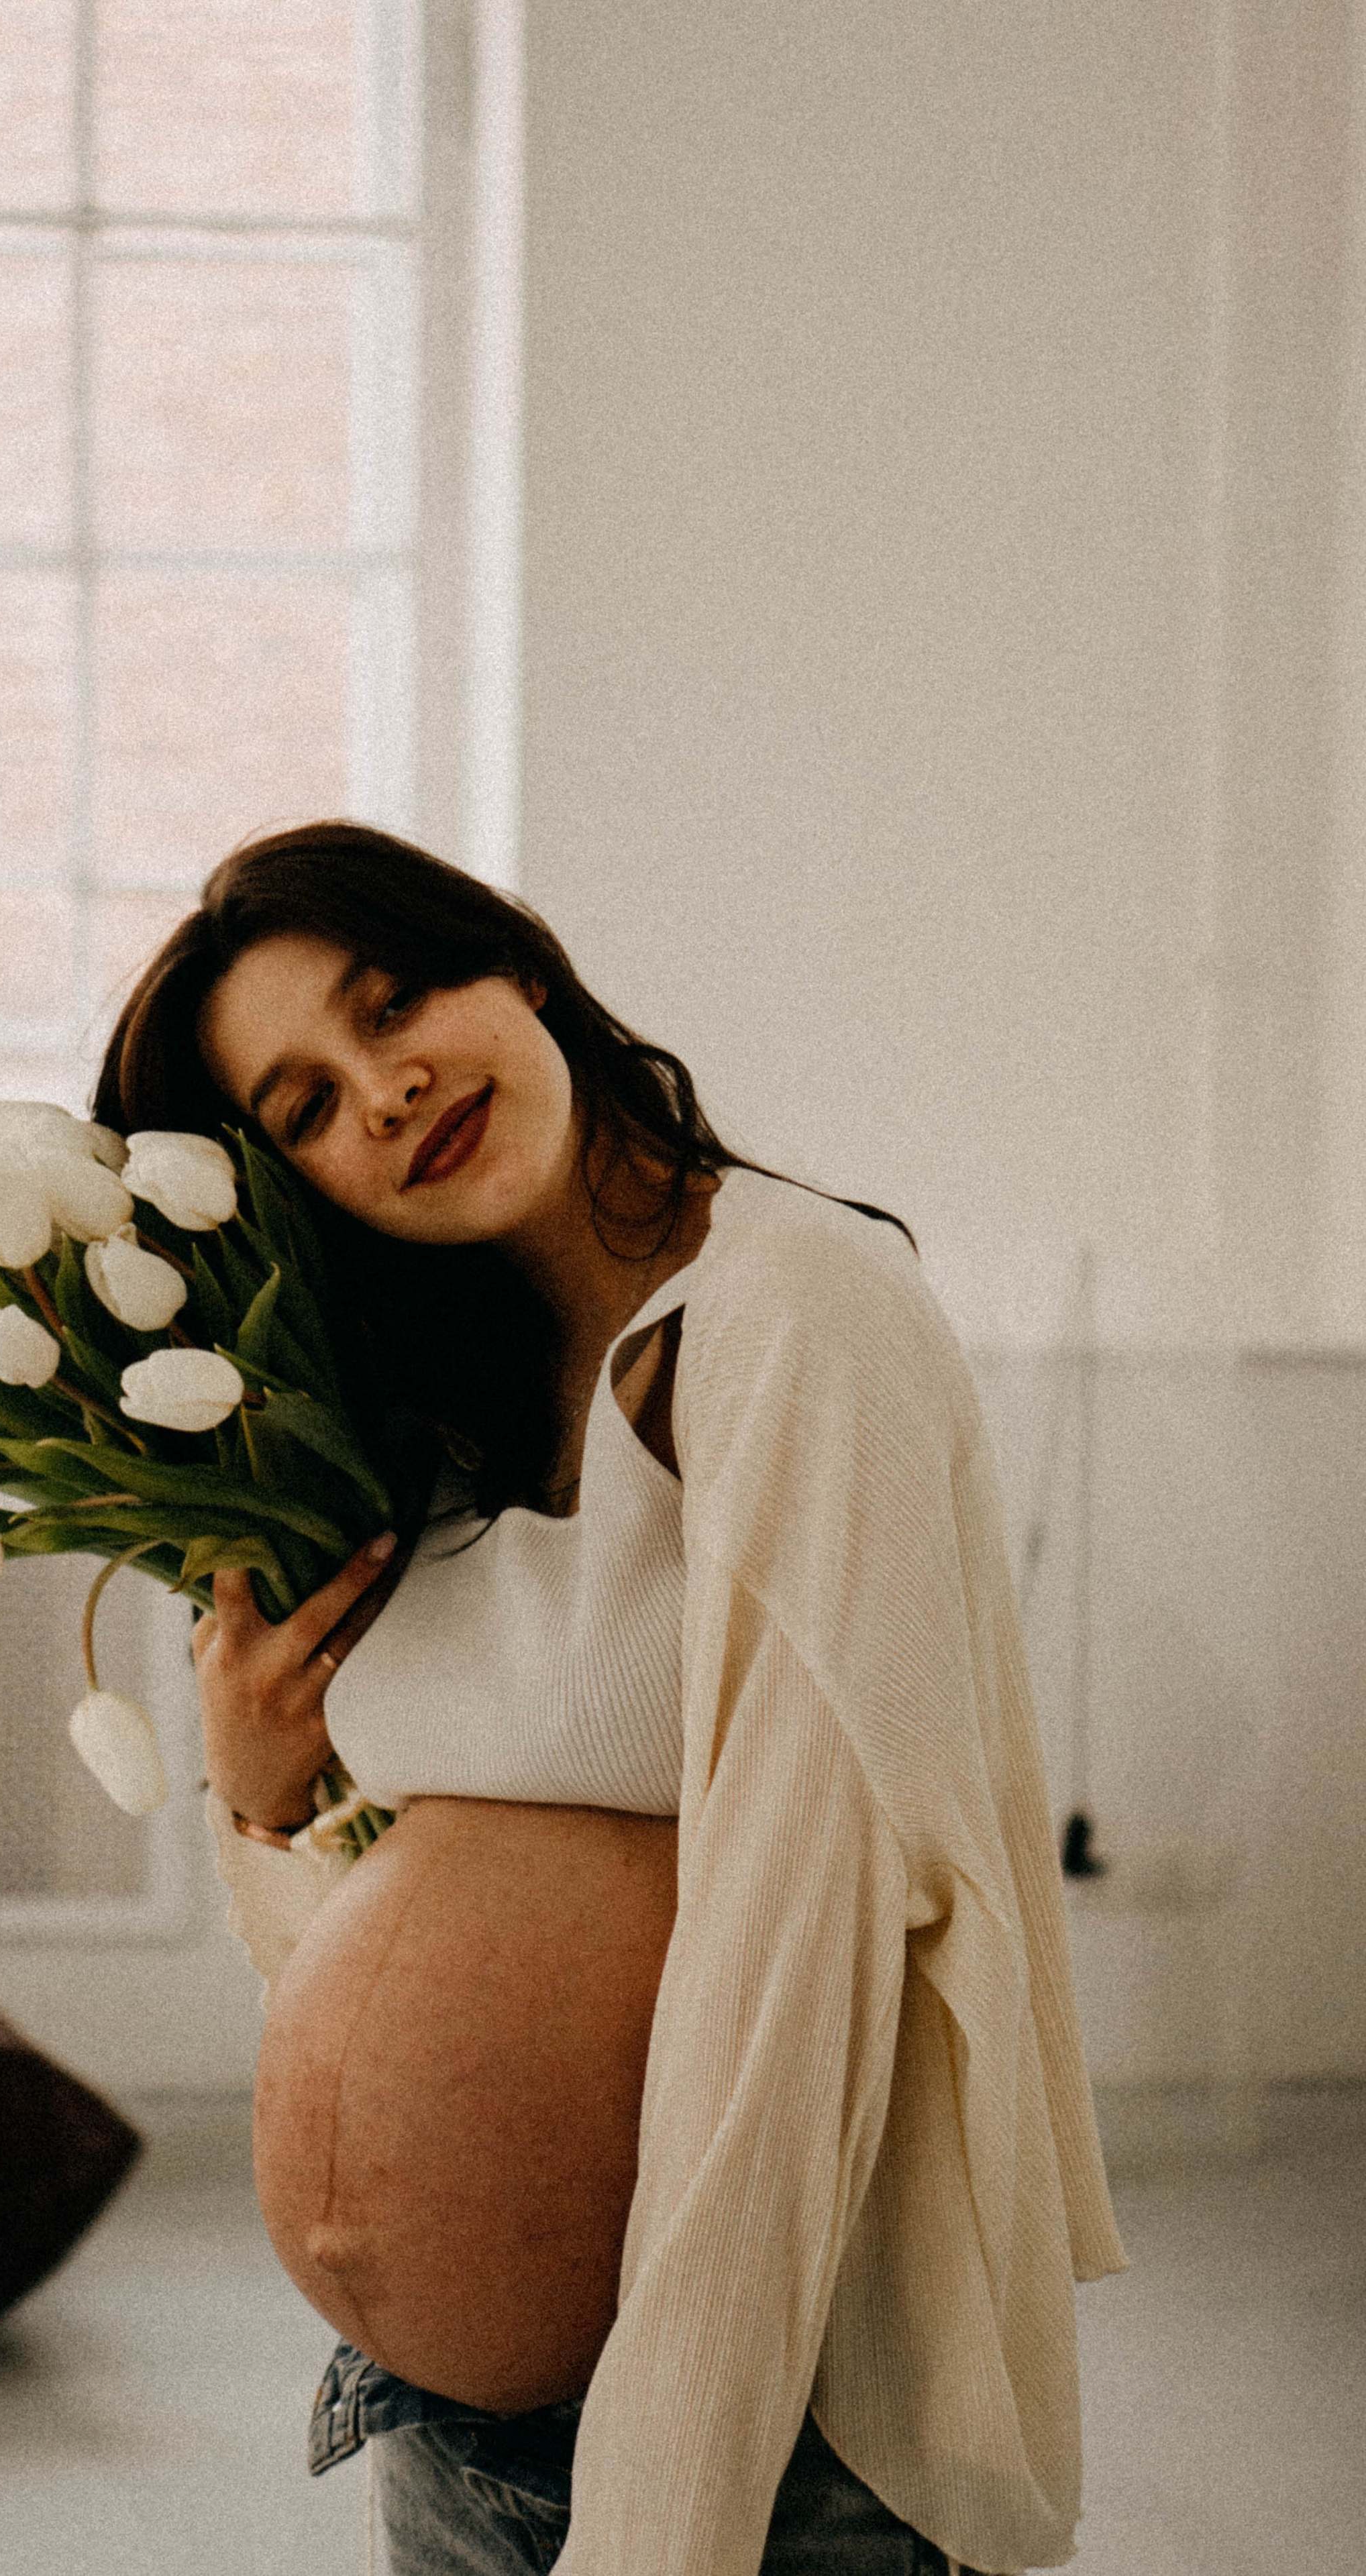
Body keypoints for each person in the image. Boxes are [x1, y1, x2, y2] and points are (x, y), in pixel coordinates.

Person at [93, 819, 1127, 2576]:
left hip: (767, 2433)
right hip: (435, 2422)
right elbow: (377, 1929)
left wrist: (663, 2527)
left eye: (394, 998)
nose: (389, 1087)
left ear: (517, 960)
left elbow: (795, 1977)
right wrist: (258, 1794)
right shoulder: (425, 1407)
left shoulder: (793, 1310)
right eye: (308, 1106)